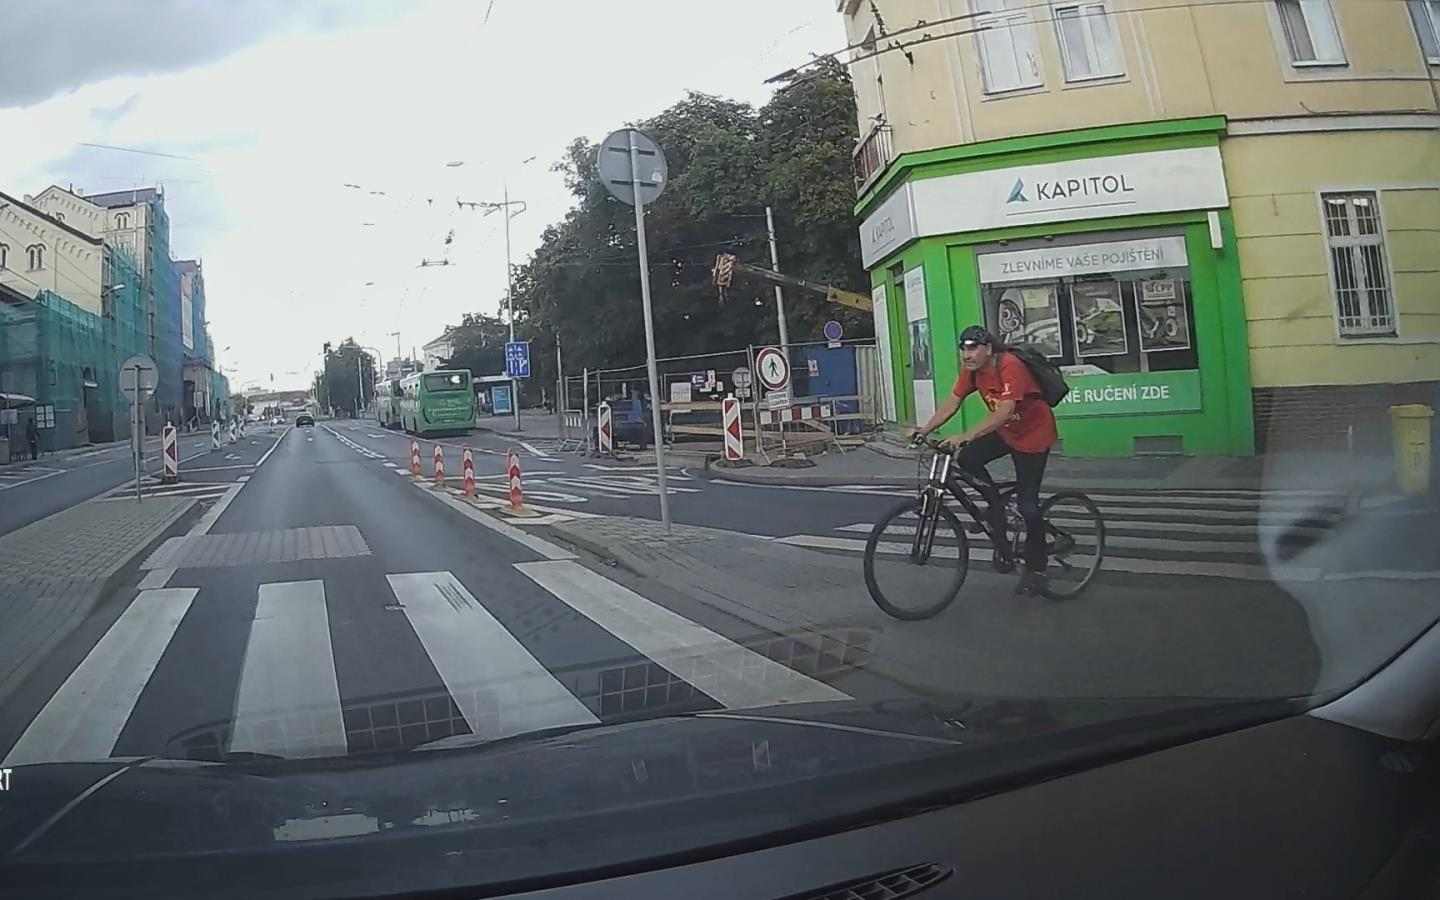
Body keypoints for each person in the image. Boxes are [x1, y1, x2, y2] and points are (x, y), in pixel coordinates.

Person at [910, 325, 1059, 595]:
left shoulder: (1010, 365)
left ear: (988, 348)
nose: (967, 354)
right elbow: (952, 403)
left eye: (973, 347)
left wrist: (966, 435)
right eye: (963, 348)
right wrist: (925, 430)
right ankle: (996, 506)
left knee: (1028, 506)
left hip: (1033, 435)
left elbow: (1004, 411)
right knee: (967, 459)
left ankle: (1037, 569)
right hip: (1005, 432)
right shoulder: (971, 372)